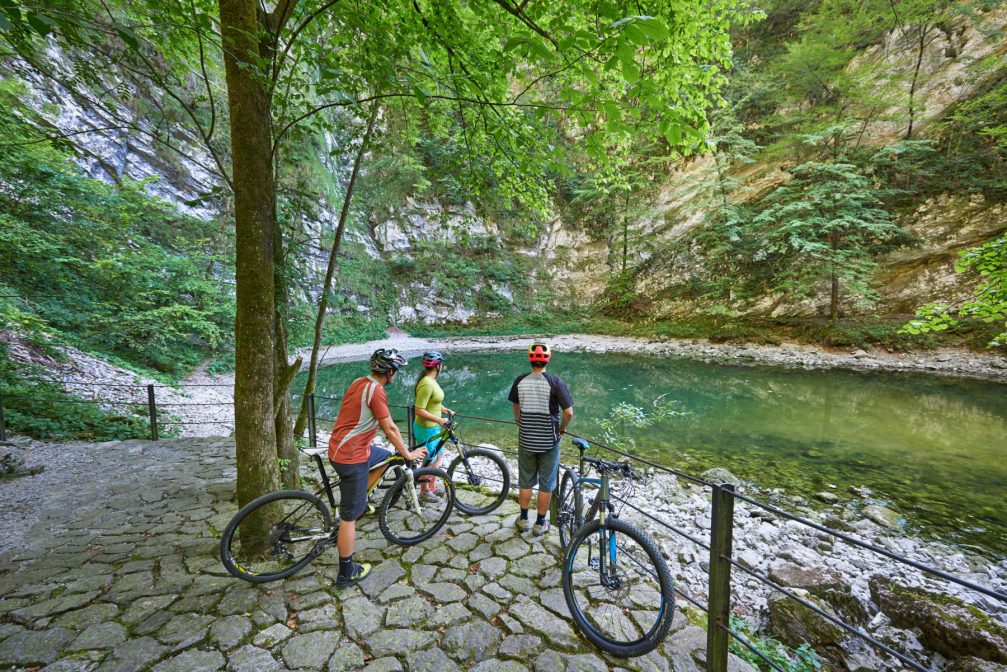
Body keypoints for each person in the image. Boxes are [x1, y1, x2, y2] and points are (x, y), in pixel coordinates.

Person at [328, 348, 427, 589]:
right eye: (396, 371)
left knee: (386, 457)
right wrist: (408, 453)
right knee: (348, 517)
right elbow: (390, 428)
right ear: (389, 371)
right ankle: (346, 572)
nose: (396, 375)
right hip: (351, 456)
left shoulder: (359, 382)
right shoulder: (376, 391)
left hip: (344, 447)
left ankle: (361, 500)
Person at [508, 342, 574, 536]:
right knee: (547, 483)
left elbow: (515, 406)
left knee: (526, 480)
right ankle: (540, 524)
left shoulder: (520, 380)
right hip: (549, 442)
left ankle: (523, 519)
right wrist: (562, 428)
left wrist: (520, 421)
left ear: (530, 359)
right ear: (548, 359)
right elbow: (569, 412)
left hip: (526, 440)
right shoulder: (555, 382)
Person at [412, 351, 454, 501]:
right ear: (438, 366)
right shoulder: (426, 383)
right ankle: (423, 492)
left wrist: (444, 409)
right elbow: (419, 409)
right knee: (428, 460)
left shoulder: (431, 380)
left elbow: (433, 401)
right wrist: (438, 419)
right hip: (426, 428)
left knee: (438, 456)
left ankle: (432, 486)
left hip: (433, 427)